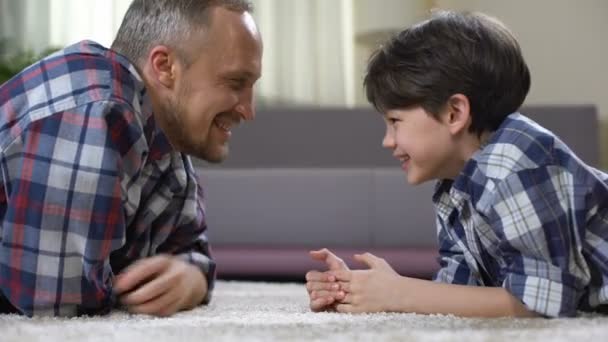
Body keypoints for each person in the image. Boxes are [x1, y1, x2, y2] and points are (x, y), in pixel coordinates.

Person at [305, 10, 608, 318]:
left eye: (395, 121)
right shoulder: (454, 185)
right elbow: (459, 293)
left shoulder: (517, 167)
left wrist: (398, 293)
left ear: (454, 113)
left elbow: (542, 306)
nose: (387, 140)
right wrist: (364, 289)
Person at [0, 0, 262, 317]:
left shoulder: (164, 142)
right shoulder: (97, 109)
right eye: (235, 82)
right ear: (165, 66)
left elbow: (192, 247)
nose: (249, 111)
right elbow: (55, 301)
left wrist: (191, 276)